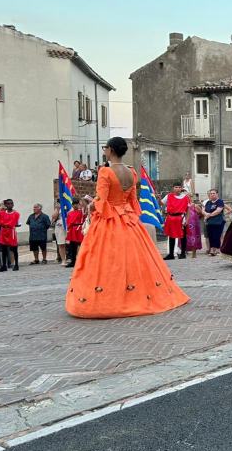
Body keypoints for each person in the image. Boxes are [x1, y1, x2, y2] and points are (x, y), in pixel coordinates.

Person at [65, 137, 189, 319]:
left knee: (105, 259)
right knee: (135, 258)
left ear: (112, 150)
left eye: (105, 148)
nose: (104, 150)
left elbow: (101, 200)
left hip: (109, 220)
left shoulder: (105, 172)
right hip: (129, 220)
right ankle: (141, 293)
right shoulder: (131, 172)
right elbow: (132, 201)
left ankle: (110, 298)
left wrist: (90, 206)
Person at [160, 184, 190, 260]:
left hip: (181, 218)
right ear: (173, 188)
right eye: (176, 187)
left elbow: (188, 209)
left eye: (179, 187)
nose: (178, 189)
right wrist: (157, 198)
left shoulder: (186, 197)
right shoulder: (169, 196)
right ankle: (171, 254)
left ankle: (183, 253)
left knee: (183, 236)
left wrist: (186, 219)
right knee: (171, 236)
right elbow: (161, 203)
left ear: (181, 188)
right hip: (171, 218)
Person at [0, 199, 20, 272]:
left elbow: (13, 223)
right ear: (5, 205)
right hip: (3, 232)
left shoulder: (16, 214)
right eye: (8, 204)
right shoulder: (1, 213)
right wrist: (6, 224)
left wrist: (5, 224)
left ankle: (16, 264)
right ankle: (4, 265)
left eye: (11, 204)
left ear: (13, 205)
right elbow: (0, 222)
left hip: (11, 232)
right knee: (3, 249)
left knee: (14, 249)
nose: (9, 205)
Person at [64, 198, 86, 267]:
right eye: (74, 204)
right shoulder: (70, 213)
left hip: (79, 229)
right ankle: (73, 261)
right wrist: (68, 231)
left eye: (76, 204)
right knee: (72, 247)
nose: (75, 206)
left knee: (81, 246)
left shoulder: (82, 212)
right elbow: (68, 222)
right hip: (72, 230)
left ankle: (82, 261)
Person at [203, 189, 225, 256]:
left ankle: (218, 250)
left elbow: (218, 211)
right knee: (211, 236)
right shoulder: (208, 202)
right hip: (209, 222)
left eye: (214, 193)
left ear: (217, 194)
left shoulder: (220, 201)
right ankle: (212, 249)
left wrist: (208, 215)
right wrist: (206, 215)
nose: (212, 195)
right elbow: (203, 210)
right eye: (211, 193)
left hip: (218, 221)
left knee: (217, 235)